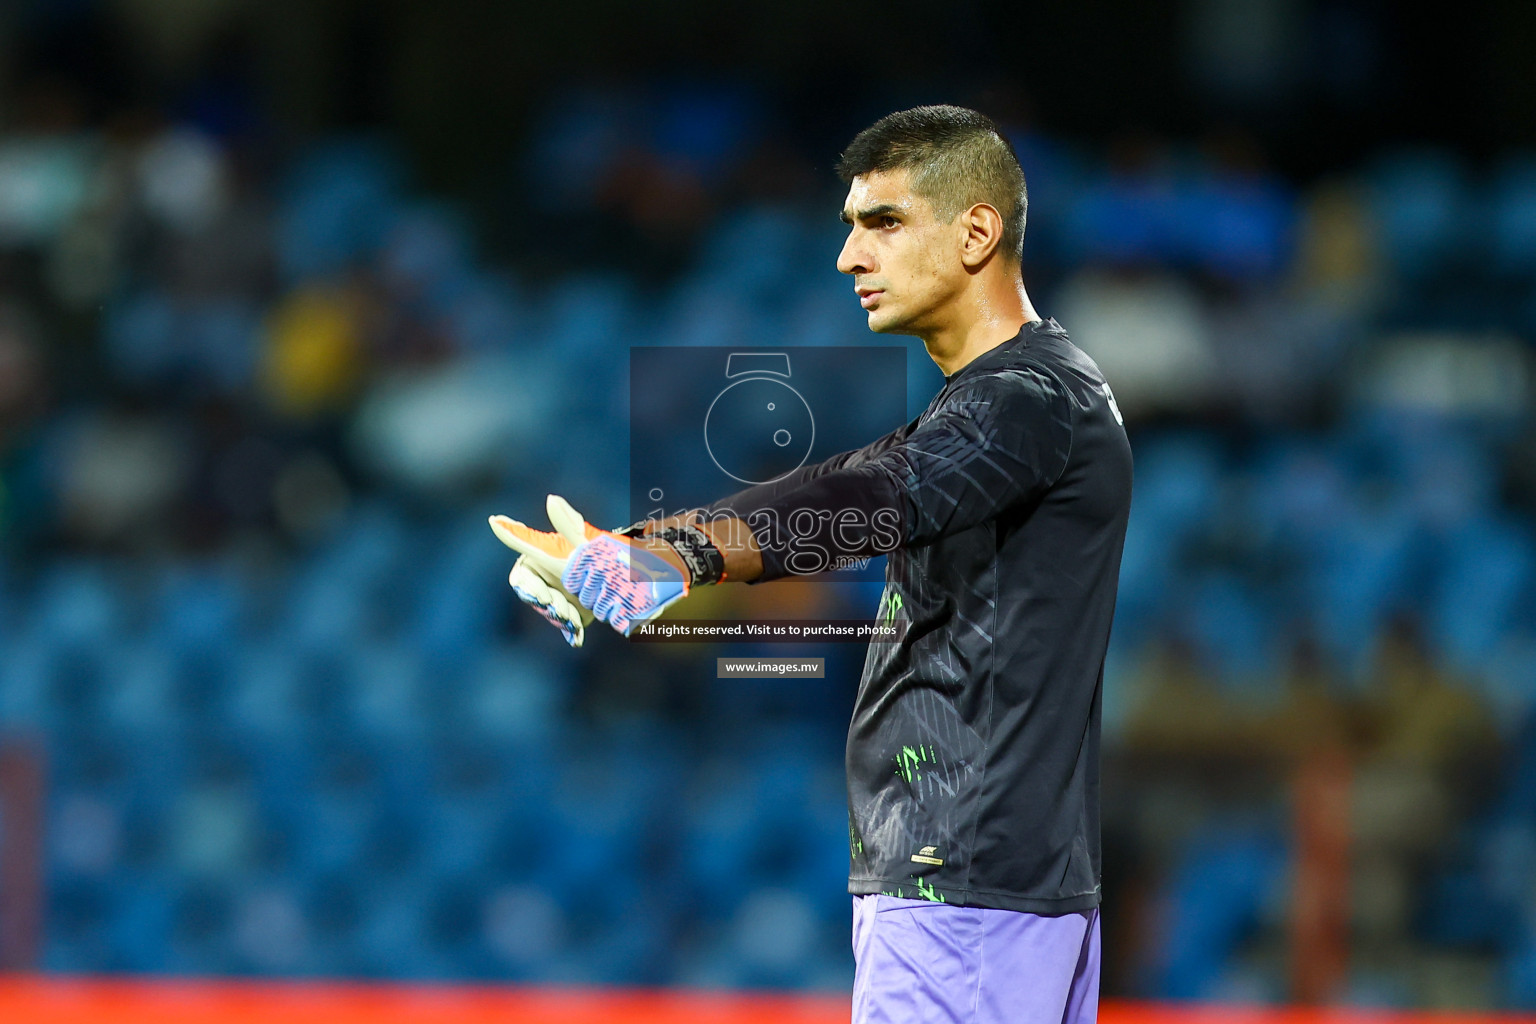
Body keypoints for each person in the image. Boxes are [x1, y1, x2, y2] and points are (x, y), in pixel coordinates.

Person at [492, 105, 1132, 1024]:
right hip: (997, 887)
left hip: (964, 889)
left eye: (884, 222)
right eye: (848, 228)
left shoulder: (1026, 399)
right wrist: (638, 551)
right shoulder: (1018, 398)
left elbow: (863, 498)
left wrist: (669, 562)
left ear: (978, 232)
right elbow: (850, 477)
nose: (849, 257)